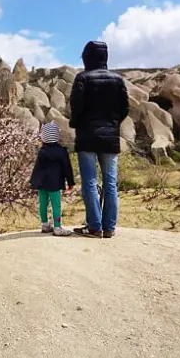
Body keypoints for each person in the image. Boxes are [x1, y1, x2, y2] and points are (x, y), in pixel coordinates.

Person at [69, 41, 129, 239]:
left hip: (87, 136)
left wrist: (76, 123)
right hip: (110, 137)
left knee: (90, 180)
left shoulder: (82, 78)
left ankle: (94, 227)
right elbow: (124, 109)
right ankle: (109, 227)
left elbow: (76, 107)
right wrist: (112, 123)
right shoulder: (118, 80)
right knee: (111, 183)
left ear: (87, 57)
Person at [30, 122, 75, 237]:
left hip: (42, 183)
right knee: (56, 206)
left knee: (43, 204)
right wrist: (70, 183)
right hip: (55, 184)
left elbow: (37, 168)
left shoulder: (42, 152)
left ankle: (45, 225)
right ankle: (57, 227)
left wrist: (34, 182)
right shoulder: (62, 151)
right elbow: (67, 168)